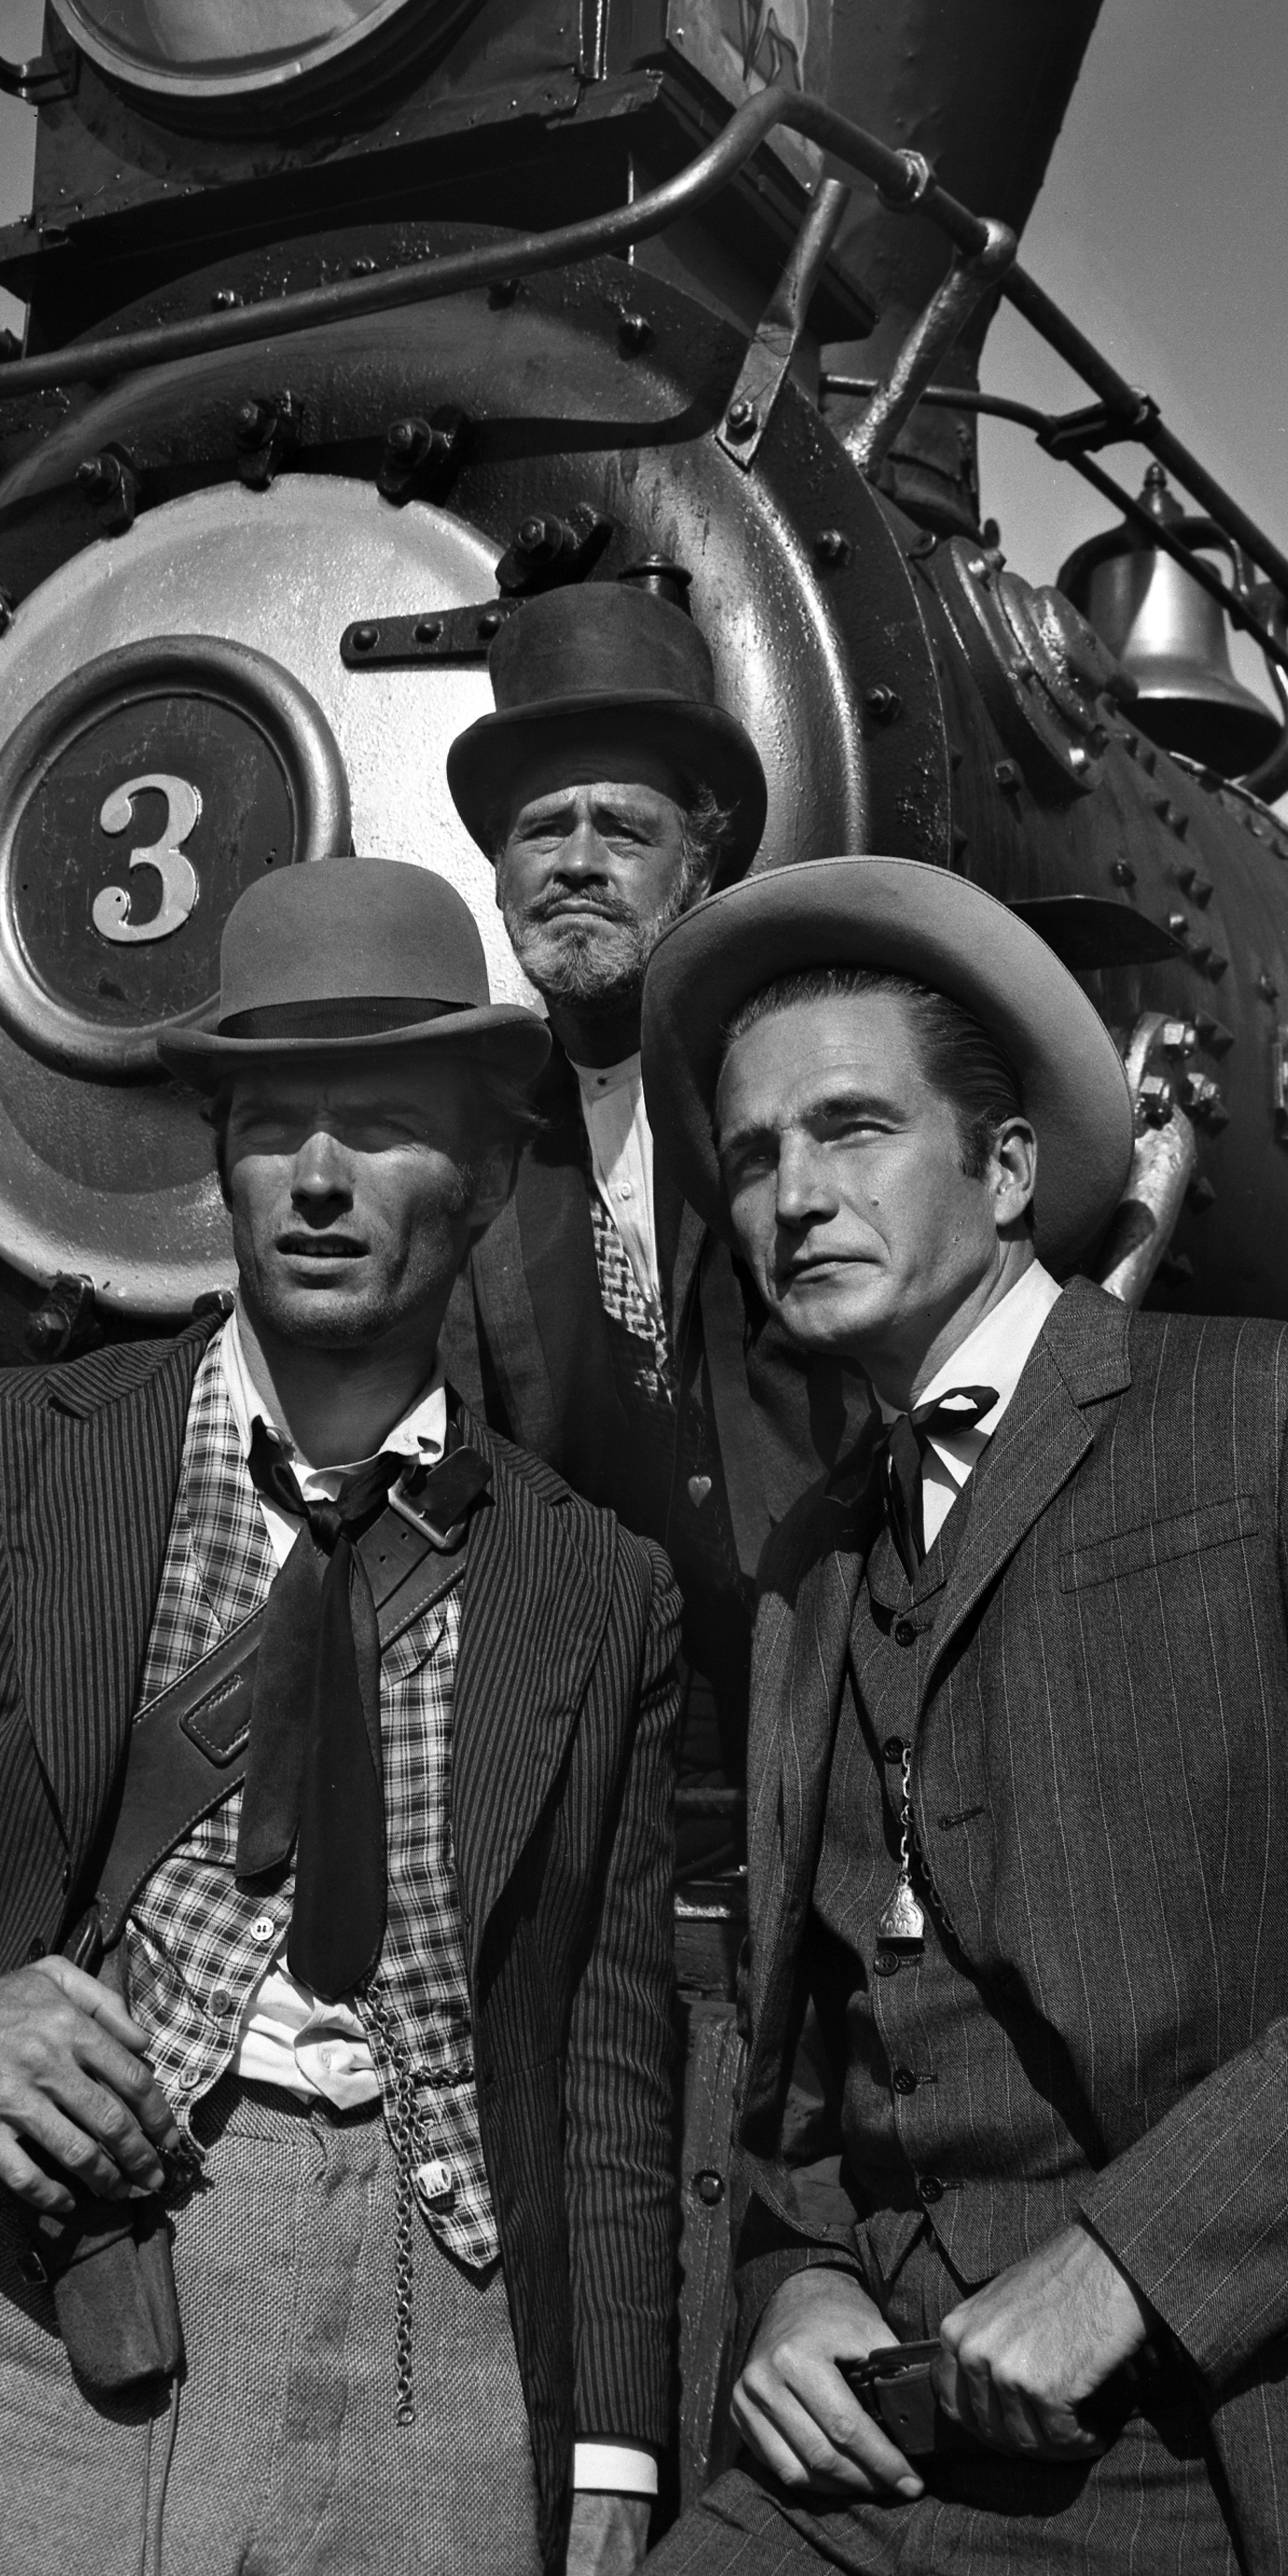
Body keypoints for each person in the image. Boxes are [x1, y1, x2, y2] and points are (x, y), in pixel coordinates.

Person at [590, 854, 1288, 2576]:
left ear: (1008, 1171)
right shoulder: (808, 1567)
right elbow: (815, 2066)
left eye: (853, 1130)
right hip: (854, 2463)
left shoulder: (1277, 1416)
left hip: (1191, 2445)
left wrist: (1129, 2266)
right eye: (757, 1155)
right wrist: (790, 2290)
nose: (793, 1196)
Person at [0, 859, 680, 2576]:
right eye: (276, 1123)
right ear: (221, 1160)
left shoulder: (597, 1586)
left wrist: (608, 2460)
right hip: (34, 2326)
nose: (323, 1178)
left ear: (493, 1168)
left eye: (384, 1123)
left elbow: (604, 2046)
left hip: (443, 2361)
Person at [442, 569, 861, 1819]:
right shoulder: (473, 1144)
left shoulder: (792, 1089)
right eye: (539, 831)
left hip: (824, 1703)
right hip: (592, 1736)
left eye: (622, 831)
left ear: (699, 856)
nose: (576, 864)